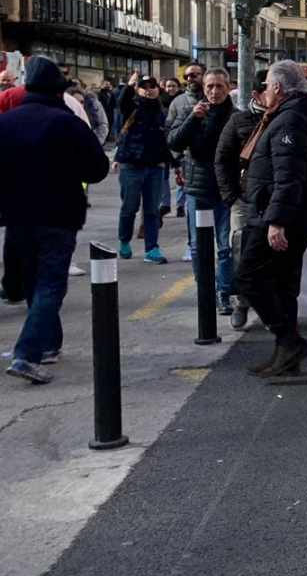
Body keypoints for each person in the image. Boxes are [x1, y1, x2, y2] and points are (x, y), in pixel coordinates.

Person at [0, 57, 111, 383]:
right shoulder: (67, 123)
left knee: (36, 281)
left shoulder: (6, 122)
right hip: (59, 215)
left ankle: (48, 344)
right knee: (50, 282)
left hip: (18, 216)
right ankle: (28, 353)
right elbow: (97, 168)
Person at [233, 60, 307, 378]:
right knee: (283, 285)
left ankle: (289, 341)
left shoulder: (290, 119)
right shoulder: (299, 114)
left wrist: (277, 221)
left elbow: (289, 176)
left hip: (281, 216)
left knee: (248, 276)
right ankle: (285, 355)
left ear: (277, 87)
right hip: (290, 215)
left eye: (265, 86)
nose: (262, 92)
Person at [167, 68, 238, 313]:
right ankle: (204, 289)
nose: (214, 91)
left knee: (225, 245)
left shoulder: (236, 116)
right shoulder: (193, 112)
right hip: (198, 188)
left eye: (219, 86)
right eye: (210, 86)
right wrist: (193, 119)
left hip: (226, 190)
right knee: (197, 245)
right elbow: (174, 142)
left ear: (228, 87)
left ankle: (224, 292)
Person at [214, 83, 268, 330]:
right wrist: (231, 196)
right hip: (244, 199)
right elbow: (222, 159)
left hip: (273, 199)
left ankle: (271, 308)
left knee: (273, 254)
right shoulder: (239, 121)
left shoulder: (285, 118)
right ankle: (242, 303)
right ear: (257, 94)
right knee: (241, 250)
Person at [114, 75, 173, 262]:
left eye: (152, 86)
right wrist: (129, 85)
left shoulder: (162, 111)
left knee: (152, 210)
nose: (148, 89)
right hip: (131, 166)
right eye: (144, 87)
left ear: (158, 89)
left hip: (155, 167)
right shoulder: (132, 107)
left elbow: (165, 140)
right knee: (129, 207)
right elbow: (122, 102)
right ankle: (124, 241)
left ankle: (152, 248)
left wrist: (173, 163)